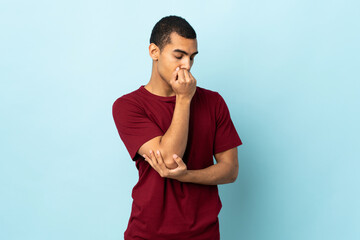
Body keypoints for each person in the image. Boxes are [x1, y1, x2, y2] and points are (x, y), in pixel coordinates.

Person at [112, 15, 242, 240]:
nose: (187, 65)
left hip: (204, 233)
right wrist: (183, 99)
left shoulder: (213, 102)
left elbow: (230, 171)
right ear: (154, 52)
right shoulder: (128, 106)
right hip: (148, 233)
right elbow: (171, 158)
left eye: (192, 57)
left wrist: (186, 176)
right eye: (179, 56)